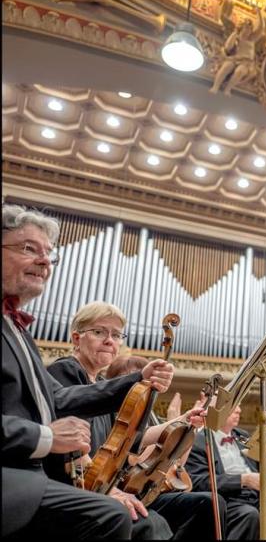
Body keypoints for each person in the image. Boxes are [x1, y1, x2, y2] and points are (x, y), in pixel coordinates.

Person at [2, 203, 174, 539]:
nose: (44, 261)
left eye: (49, 254)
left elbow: (60, 399)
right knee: (109, 515)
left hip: (29, 478)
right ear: (77, 338)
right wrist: (47, 437)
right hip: (14, 477)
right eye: (28, 248)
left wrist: (139, 379)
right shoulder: (51, 355)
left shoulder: (18, 330)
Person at [55, 340, 228, 540]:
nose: (138, 385)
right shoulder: (78, 381)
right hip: (110, 487)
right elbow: (132, 456)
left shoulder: (120, 408)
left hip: (138, 488)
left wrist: (184, 421)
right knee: (153, 522)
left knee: (210, 504)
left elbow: (150, 447)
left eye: (116, 334)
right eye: (129, 379)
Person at [186, 405, 266, 540]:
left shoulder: (242, 436)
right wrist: (242, 480)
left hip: (257, 499)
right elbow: (197, 482)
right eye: (233, 405)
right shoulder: (198, 440)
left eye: (239, 406)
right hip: (228, 502)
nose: (239, 410)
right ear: (216, 410)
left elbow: (265, 465)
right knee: (250, 514)